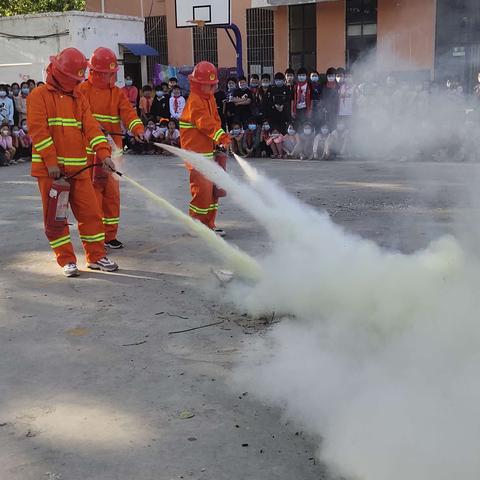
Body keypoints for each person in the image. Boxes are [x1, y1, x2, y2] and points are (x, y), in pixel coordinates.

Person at [28, 47, 118, 277]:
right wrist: (51, 162)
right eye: (74, 79)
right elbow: (39, 132)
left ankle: (96, 256)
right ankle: (66, 260)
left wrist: (104, 154)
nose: (77, 83)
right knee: (56, 219)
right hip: (52, 173)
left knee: (91, 214)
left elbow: (91, 128)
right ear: (59, 73)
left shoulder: (79, 97)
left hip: (79, 168)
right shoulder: (38, 96)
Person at [79, 46, 145, 250]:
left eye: (112, 73)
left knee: (112, 196)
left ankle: (110, 236)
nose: (111, 77)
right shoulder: (83, 91)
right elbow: (79, 116)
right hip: (91, 153)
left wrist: (137, 129)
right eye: (108, 73)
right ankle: (96, 237)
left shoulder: (116, 93)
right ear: (96, 72)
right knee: (94, 196)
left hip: (114, 153)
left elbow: (128, 113)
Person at [179, 61, 231, 236]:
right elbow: (204, 123)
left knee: (213, 192)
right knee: (202, 191)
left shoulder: (209, 98)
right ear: (198, 84)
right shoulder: (195, 101)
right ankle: (197, 226)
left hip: (209, 153)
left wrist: (219, 140)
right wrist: (220, 136)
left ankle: (209, 224)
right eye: (209, 85)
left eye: (213, 85)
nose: (212, 88)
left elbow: (215, 120)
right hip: (196, 156)